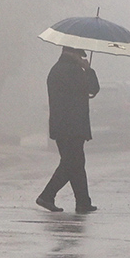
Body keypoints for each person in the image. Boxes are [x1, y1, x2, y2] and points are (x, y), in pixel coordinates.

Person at [36, 46, 100, 214]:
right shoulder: (73, 71)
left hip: (62, 125)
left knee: (76, 164)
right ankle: (47, 195)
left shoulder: (56, 70)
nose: (81, 58)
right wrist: (88, 70)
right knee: (71, 164)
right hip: (73, 126)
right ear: (73, 54)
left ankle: (83, 202)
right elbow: (93, 88)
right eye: (80, 55)